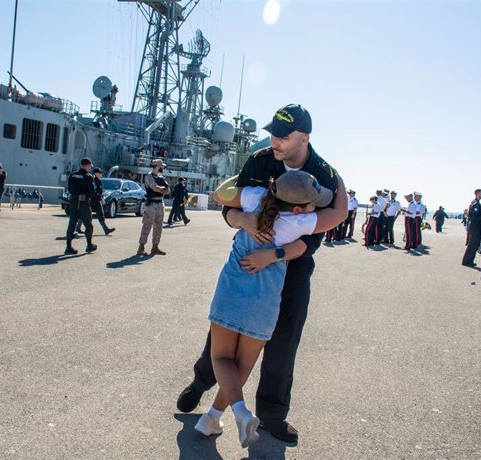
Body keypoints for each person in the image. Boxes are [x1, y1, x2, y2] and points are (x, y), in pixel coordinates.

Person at [177, 104, 347, 444]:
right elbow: (230, 207)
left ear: (305, 138)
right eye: (273, 133)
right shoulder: (260, 160)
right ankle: (201, 383)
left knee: (284, 341)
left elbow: (314, 238)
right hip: (251, 253)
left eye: (283, 136)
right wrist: (243, 221)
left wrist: (276, 253)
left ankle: (271, 415)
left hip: (292, 264)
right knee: (222, 338)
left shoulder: (323, 173)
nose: (275, 141)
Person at [194, 170, 334, 448]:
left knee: (221, 358)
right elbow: (338, 214)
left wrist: (246, 176)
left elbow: (221, 192)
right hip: (264, 300)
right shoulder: (301, 222)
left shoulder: (254, 197)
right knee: (244, 363)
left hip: (231, 290)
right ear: (298, 208)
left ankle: (238, 412)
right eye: (311, 202)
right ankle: (215, 417)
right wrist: (336, 182)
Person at [64, 158, 97, 255]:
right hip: (84, 203)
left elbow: (69, 189)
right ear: (87, 165)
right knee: (88, 225)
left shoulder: (72, 175)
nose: (90, 168)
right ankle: (89, 245)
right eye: (90, 166)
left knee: (72, 224)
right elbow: (92, 191)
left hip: (73, 202)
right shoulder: (89, 177)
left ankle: (68, 246)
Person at [137, 158, 170, 256]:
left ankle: (155, 247)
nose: (162, 168)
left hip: (160, 203)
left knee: (158, 227)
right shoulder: (149, 176)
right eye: (161, 167)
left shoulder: (161, 177)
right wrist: (162, 189)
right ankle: (141, 247)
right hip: (151, 204)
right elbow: (154, 188)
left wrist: (161, 189)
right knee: (147, 225)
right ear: (157, 166)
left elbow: (168, 190)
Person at [88, 168, 115, 236]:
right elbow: (94, 191)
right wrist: (100, 198)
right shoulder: (93, 181)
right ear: (95, 173)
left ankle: (106, 230)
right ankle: (77, 228)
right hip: (91, 200)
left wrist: (101, 198)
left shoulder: (99, 181)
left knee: (101, 215)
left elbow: (100, 191)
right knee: (86, 214)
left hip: (97, 200)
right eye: (99, 173)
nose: (101, 174)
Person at [462, 189, 481, 267]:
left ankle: (469, 260)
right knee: (473, 244)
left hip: (474, 225)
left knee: (473, 244)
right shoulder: (476, 204)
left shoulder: (476, 203)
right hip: (475, 225)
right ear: (477, 194)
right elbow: (474, 216)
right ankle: (467, 261)